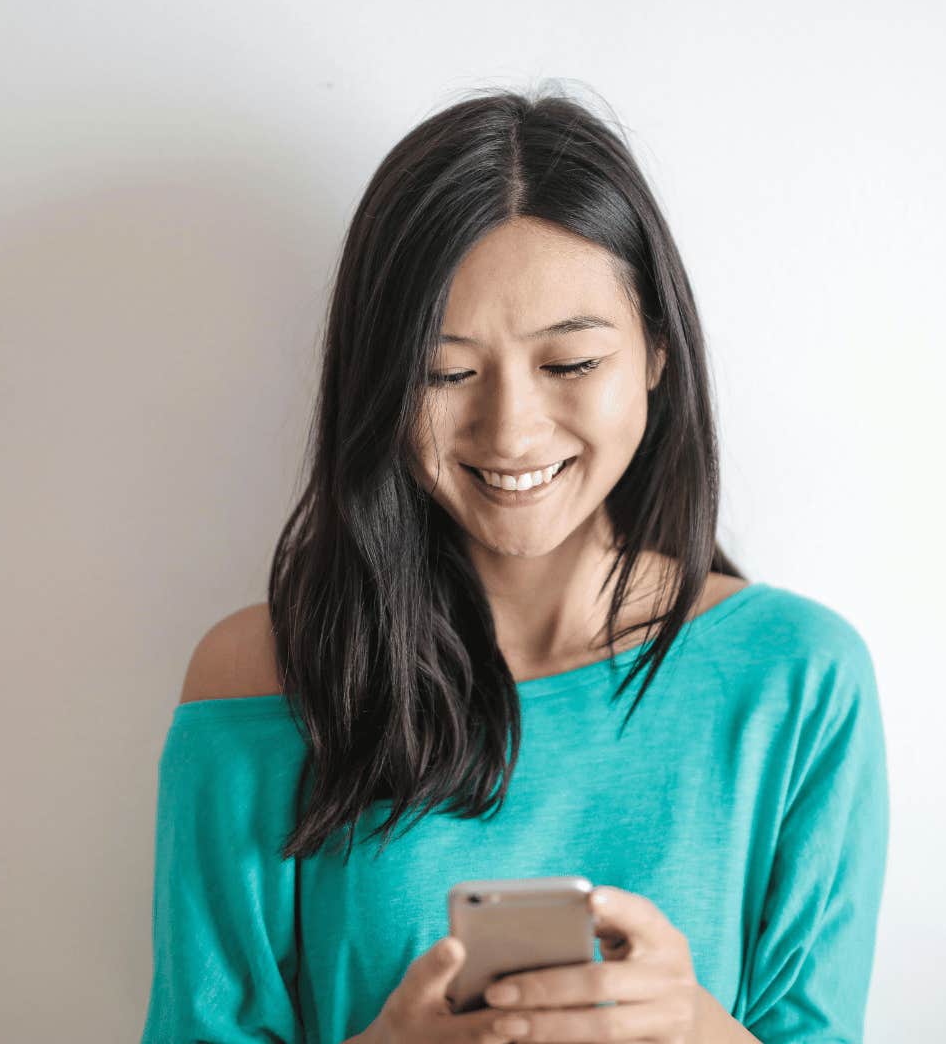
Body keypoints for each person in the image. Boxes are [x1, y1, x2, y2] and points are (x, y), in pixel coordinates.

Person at [140, 85, 888, 1043]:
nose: (511, 430)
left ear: (658, 351)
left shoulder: (798, 679)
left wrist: (695, 1028)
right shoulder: (260, 680)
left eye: (570, 364)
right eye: (446, 374)